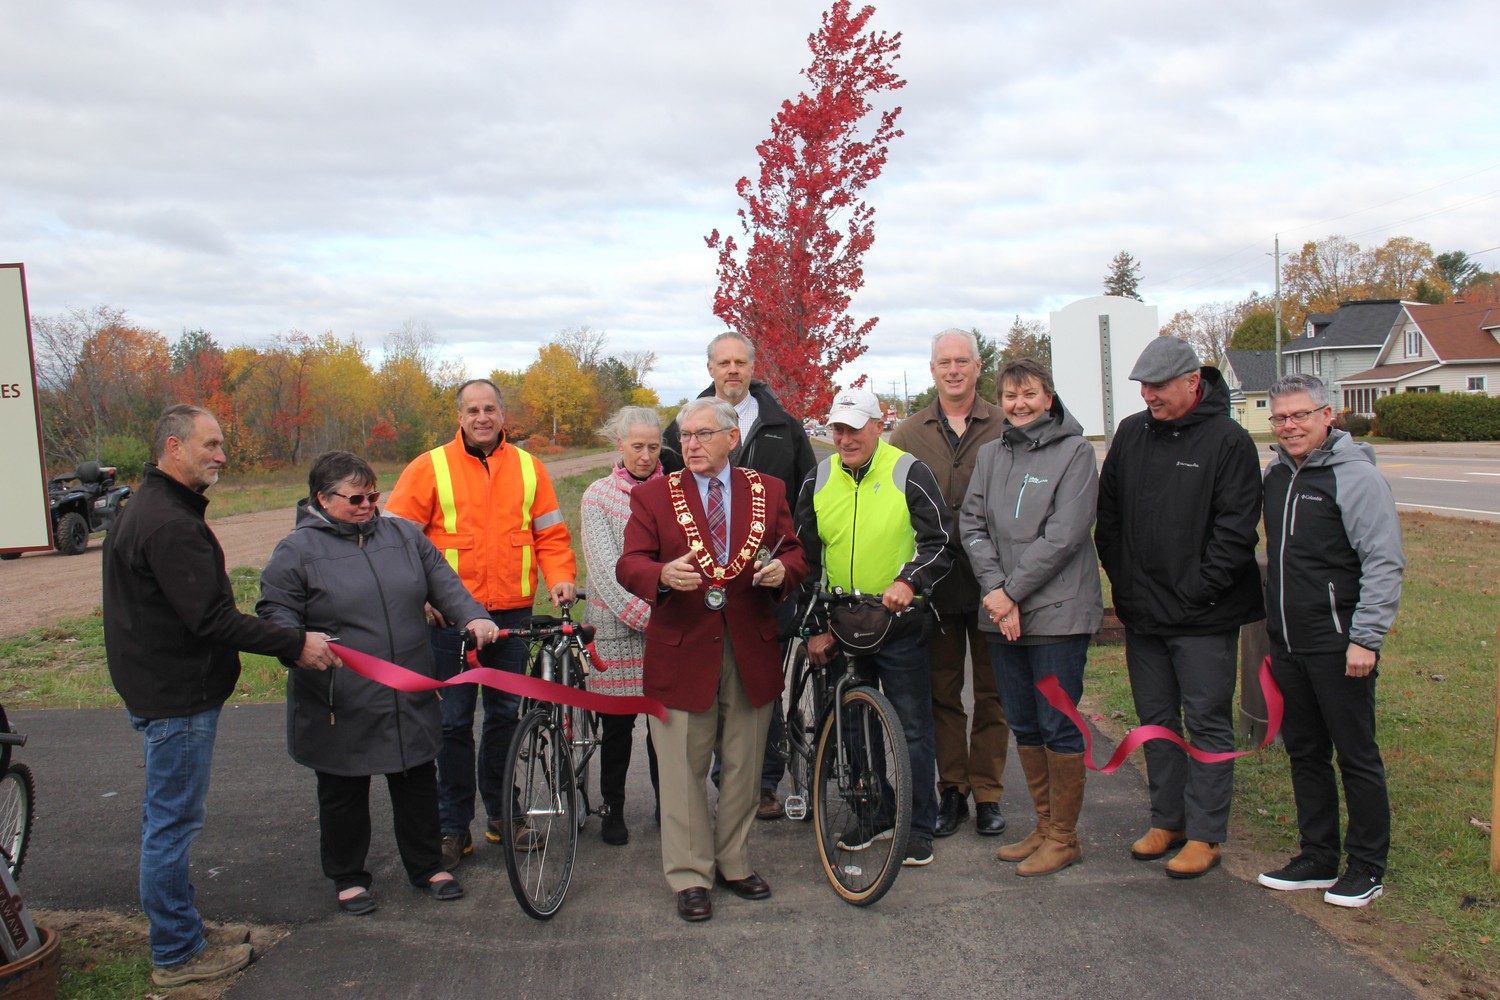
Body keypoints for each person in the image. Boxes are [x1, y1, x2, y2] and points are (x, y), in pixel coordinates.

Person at [103, 404, 338, 988]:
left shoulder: (156, 509)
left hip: (160, 687)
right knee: (172, 824)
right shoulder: (169, 522)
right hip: (175, 697)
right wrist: (294, 642)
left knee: (171, 819)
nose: (221, 455)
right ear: (173, 448)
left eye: (221, 444)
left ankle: (182, 928)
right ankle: (177, 954)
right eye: (210, 445)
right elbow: (212, 619)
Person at [259, 451, 506, 915]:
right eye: (355, 498)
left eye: (373, 495)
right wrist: (296, 641)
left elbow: (445, 583)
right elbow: (275, 610)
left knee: (415, 777)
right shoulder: (296, 551)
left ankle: (426, 864)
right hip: (340, 695)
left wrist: (473, 617)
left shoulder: (404, 536)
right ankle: (349, 876)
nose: (367, 505)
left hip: (407, 687)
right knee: (343, 791)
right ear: (322, 499)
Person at [617, 397, 807, 922]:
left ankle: (735, 863)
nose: (691, 445)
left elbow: (793, 551)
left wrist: (782, 574)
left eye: (703, 435)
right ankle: (690, 875)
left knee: (745, 768)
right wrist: (659, 576)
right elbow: (629, 561)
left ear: (731, 438)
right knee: (681, 769)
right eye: (685, 436)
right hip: (681, 651)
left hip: (750, 646)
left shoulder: (768, 491)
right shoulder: (655, 495)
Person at [384, 379, 578, 870]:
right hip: (450, 617)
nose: (482, 417)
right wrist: (421, 596)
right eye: (473, 409)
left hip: (511, 614)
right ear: (460, 416)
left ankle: (504, 815)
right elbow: (396, 542)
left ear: (503, 414)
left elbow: (551, 535)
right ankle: (452, 826)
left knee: (503, 719)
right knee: (451, 724)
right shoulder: (429, 467)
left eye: (490, 408)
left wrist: (559, 579)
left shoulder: (530, 468)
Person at [1096, 336, 1264, 879]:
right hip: (1144, 614)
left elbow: (1235, 531)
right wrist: (1125, 583)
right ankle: (1167, 820)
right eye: (1143, 387)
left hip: (1203, 617)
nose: (1148, 396)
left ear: (1193, 382)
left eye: (1159, 386)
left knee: (1208, 722)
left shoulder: (1229, 441)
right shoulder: (1131, 434)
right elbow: (1111, 515)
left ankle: (1207, 833)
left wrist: (1198, 590)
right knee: (1157, 722)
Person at [1256, 374, 1403, 908]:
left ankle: (1367, 866)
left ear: (1327, 415)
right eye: (1280, 418)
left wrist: (1365, 638)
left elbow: (1383, 562)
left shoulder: (1356, 478)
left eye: (1300, 415)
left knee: (1355, 755)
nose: (1289, 426)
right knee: (1305, 752)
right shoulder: (1276, 476)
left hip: (1341, 645)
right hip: (1289, 645)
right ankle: (1318, 855)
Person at [794, 386, 953, 868]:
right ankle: (874, 812)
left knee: (912, 728)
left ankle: (919, 823)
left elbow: (942, 542)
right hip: (843, 621)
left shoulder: (908, 471)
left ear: (877, 425)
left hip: (899, 620)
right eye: (836, 428)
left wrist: (909, 580)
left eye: (854, 427)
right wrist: (814, 628)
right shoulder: (818, 479)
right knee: (853, 727)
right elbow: (804, 558)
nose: (844, 438)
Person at [662, 330, 817, 820]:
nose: (732, 370)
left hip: (761, 588)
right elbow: (664, 493)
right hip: (698, 591)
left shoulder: (783, 426)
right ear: (710, 368)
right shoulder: (684, 424)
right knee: (705, 689)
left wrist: (794, 571)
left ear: (753, 367)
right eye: (722, 362)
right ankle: (714, 785)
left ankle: (762, 783)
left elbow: (804, 503)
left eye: (740, 362)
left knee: (758, 685)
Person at [960, 359, 1103, 876]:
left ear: (1049, 396)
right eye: (1011, 395)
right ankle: (1044, 827)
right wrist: (997, 591)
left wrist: (1009, 592)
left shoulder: (1076, 453)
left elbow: (1065, 535)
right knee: (1023, 722)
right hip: (1004, 614)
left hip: (1056, 614)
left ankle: (1065, 837)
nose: (1019, 404)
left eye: (1030, 394)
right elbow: (972, 525)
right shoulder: (991, 455)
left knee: (1056, 725)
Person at [890, 329, 1011, 839]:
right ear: (933, 369)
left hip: (994, 583)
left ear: (978, 367)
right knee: (941, 691)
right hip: (935, 586)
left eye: (963, 361)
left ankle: (988, 794)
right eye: (945, 362)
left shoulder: (1005, 424)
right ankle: (952, 790)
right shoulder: (908, 434)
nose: (954, 370)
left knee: (992, 692)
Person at [579, 406, 665, 846]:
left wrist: (668, 622)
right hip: (615, 632)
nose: (646, 455)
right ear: (619, 445)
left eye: (653, 446)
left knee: (664, 727)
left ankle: (667, 806)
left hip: (667, 632)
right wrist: (652, 619)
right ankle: (612, 807)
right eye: (637, 447)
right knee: (616, 729)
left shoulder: (676, 491)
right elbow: (605, 570)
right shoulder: (598, 496)